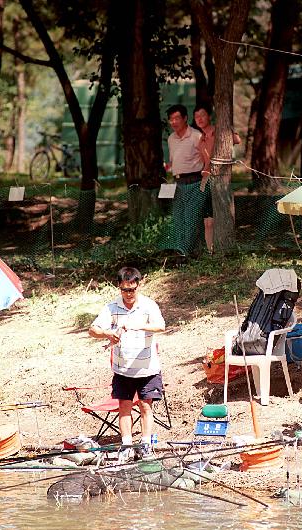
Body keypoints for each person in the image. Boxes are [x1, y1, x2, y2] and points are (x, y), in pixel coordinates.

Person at [89, 266, 165, 462]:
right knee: (124, 406)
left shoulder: (148, 306)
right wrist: (108, 333)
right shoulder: (112, 308)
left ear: (138, 286)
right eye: (125, 290)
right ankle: (127, 445)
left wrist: (137, 325)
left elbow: (161, 326)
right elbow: (93, 329)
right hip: (122, 369)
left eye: (132, 289)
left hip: (147, 367)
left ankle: (146, 444)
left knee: (146, 407)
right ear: (119, 288)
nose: (129, 294)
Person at [193, 104, 241, 254]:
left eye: (202, 115)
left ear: (209, 116)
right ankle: (210, 252)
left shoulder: (218, 131)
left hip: (220, 179)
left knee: (217, 218)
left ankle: (223, 249)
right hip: (205, 181)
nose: (199, 119)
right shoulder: (200, 140)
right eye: (196, 117)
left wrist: (227, 129)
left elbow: (237, 139)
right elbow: (204, 162)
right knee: (207, 221)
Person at [165, 104, 207, 256]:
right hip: (177, 183)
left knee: (191, 218)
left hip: (195, 182)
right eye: (171, 119)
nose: (174, 122)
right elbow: (173, 162)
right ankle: (181, 250)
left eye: (177, 118)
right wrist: (168, 168)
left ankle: (186, 252)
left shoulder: (197, 136)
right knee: (178, 219)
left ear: (185, 118)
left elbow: (206, 159)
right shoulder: (171, 139)